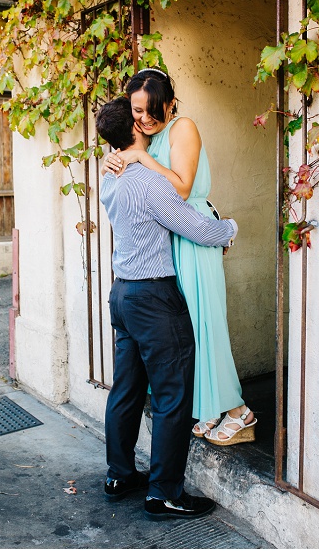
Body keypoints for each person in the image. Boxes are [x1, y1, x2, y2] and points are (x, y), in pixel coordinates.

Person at [95, 96, 238, 520]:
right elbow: (193, 227)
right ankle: (164, 494)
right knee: (173, 397)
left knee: (126, 390)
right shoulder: (148, 181)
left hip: (121, 295)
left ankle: (119, 475)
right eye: (139, 117)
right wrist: (229, 227)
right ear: (135, 132)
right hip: (154, 298)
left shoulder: (111, 177)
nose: (146, 121)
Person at [103, 68, 255, 445]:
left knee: (206, 325)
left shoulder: (181, 127)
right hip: (169, 240)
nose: (145, 118)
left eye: (154, 109)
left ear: (171, 104)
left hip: (193, 235)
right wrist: (118, 158)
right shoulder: (142, 138)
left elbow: (183, 189)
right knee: (186, 334)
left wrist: (140, 158)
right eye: (138, 110)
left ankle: (240, 411)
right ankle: (211, 406)